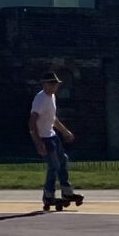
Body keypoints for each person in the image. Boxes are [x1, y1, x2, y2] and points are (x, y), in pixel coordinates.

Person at [31, 72, 79, 211]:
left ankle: (66, 191)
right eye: (51, 84)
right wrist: (38, 142)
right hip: (43, 137)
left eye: (56, 84)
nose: (54, 86)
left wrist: (64, 131)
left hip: (51, 135)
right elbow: (32, 122)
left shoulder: (51, 97)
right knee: (53, 166)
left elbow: (53, 118)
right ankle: (48, 195)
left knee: (63, 160)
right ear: (44, 84)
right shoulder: (40, 99)